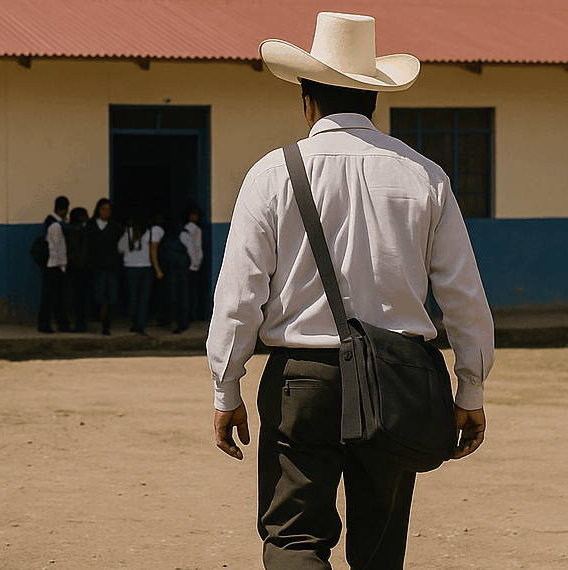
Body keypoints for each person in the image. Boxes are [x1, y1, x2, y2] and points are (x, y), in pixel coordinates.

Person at [207, 12, 495, 570]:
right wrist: (471, 389)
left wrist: (227, 388)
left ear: (306, 101)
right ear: (373, 99)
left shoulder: (271, 175)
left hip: (300, 381)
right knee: (380, 550)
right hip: (399, 377)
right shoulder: (425, 176)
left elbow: (238, 296)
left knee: (293, 538)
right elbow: (463, 294)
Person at [117, 215, 162, 335]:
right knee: (143, 298)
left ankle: (133, 321)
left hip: (130, 268)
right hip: (145, 268)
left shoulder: (128, 233)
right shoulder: (150, 232)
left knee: (133, 296)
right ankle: (141, 324)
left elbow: (120, 248)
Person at [86, 198, 125, 335]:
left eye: (108, 210)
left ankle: (106, 322)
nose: (106, 212)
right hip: (97, 266)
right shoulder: (91, 226)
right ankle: (100, 318)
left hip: (112, 265)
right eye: (103, 209)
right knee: (99, 294)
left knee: (110, 295)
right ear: (98, 210)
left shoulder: (115, 227)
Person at [37, 195, 71, 334]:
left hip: (51, 265)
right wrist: (63, 265)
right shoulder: (56, 226)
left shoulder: (50, 222)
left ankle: (54, 323)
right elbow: (57, 248)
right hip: (54, 266)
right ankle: (48, 324)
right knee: (53, 297)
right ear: (63, 209)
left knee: (51, 297)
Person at [64, 207, 92, 333]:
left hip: (73, 268)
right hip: (84, 269)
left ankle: (79, 324)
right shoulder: (86, 231)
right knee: (83, 299)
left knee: (76, 299)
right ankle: (82, 324)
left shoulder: (69, 232)